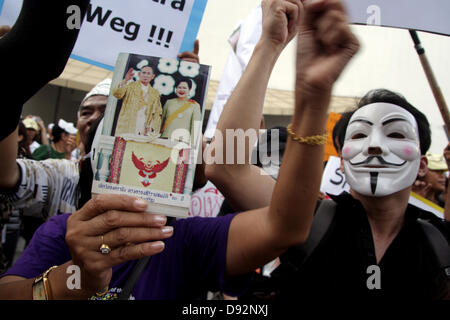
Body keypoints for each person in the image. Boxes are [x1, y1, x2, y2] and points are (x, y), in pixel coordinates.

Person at [0, 0, 328, 300]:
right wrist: (73, 279)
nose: (148, 155)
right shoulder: (61, 233)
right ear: (99, 159)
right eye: (127, 143)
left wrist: (307, 92)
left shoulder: (186, 241)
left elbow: (286, 226)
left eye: (166, 144)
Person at [205, 0, 449, 300]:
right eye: (359, 135)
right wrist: (268, 46)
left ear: (423, 164)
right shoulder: (305, 218)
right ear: (342, 161)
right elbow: (225, 166)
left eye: (395, 133)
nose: (374, 146)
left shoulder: (441, 243)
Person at [113, 65, 162, 137]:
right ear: (139, 74)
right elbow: (117, 94)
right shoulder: (130, 86)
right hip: (128, 123)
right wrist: (125, 80)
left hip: (144, 124)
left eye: (148, 74)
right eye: (144, 73)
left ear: (152, 76)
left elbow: (157, 112)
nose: (146, 75)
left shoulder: (155, 93)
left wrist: (152, 127)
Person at [160, 78, 201, 145]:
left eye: (184, 88)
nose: (181, 90)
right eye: (179, 87)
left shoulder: (195, 105)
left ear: (189, 89)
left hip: (183, 141)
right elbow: (161, 121)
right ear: (176, 88)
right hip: (165, 138)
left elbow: (195, 127)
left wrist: (192, 144)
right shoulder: (169, 102)